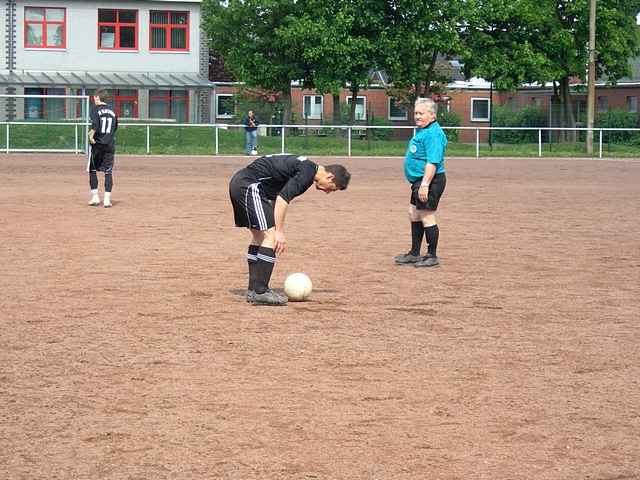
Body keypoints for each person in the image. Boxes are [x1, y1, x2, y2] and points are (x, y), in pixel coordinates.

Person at [229, 154, 351, 305]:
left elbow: (275, 194)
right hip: (249, 186)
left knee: (260, 236)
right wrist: (279, 232)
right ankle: (261, 291)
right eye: (332, 189)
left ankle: (254, 290)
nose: (328, 192)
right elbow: (282, 200)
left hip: (243, 183)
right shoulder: (307, 173)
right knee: (271, 237)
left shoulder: (304, 167)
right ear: (330, 177)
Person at [394, 97, 447, 267]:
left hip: (430, 181)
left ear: (432, 115)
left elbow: (432, 162)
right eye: (416, 113)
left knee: (426, 215)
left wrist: (425, 185)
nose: (417, 116)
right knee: (414, 213)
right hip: (419, 181)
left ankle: (432, 255)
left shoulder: (434, 134)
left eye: (421, 113)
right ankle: (415, 253)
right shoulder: (425, 131)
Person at [87, 89, 118, 208]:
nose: (94, 100)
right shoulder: (113, 110)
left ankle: (95, 197)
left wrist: (91, 136)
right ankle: (106, 200)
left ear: (97, 98)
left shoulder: (95, 109)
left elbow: (95, 125)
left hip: (98, 144)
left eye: (94, 98)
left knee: (92, 170)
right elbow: (115, 127)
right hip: (109, 145)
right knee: (108, 172)